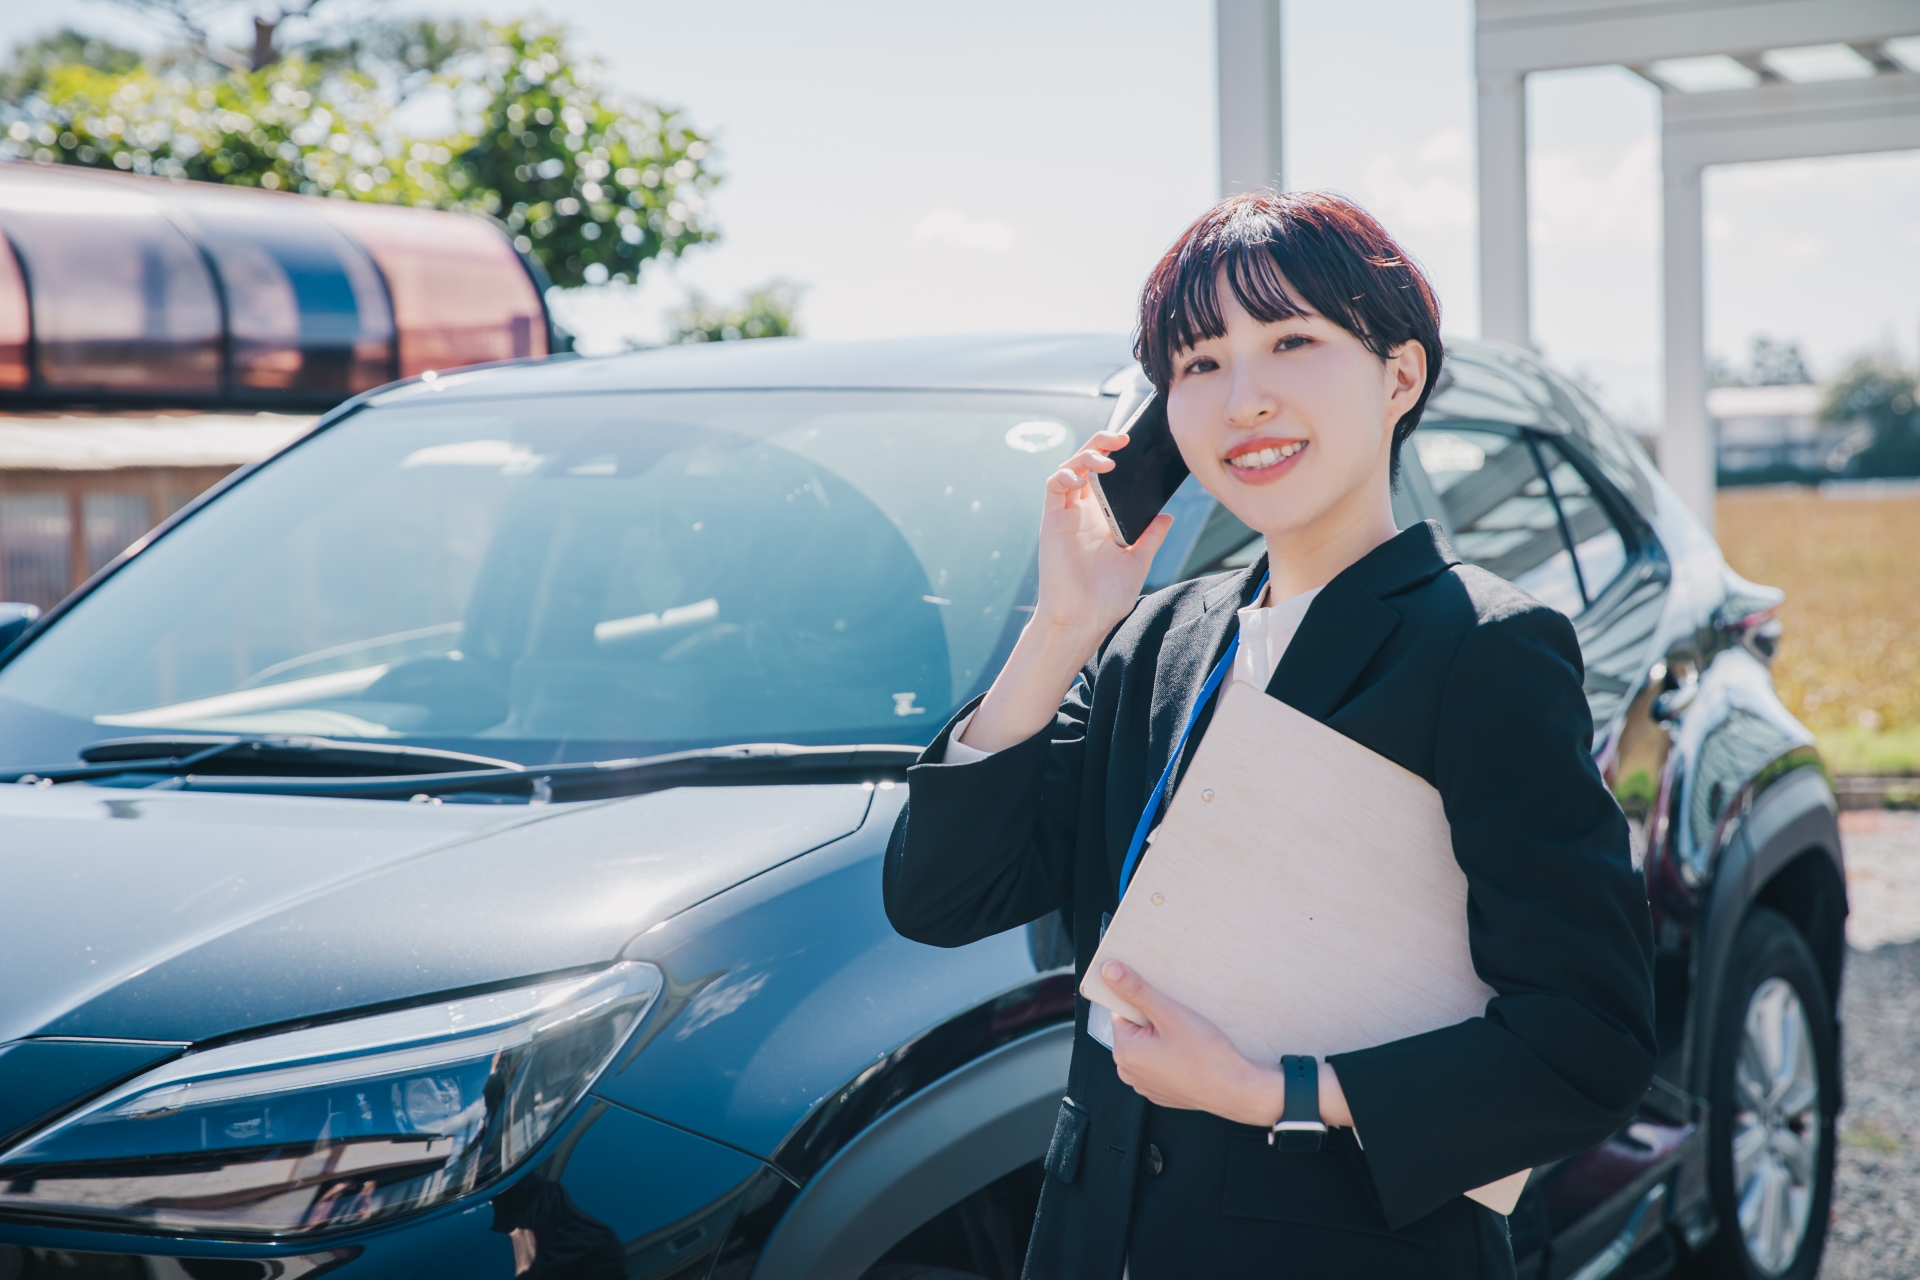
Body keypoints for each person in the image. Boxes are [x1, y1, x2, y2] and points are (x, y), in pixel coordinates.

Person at [882, 191, 1656, 1280]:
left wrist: (1274, 1090)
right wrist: (1062, 624)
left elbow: (1590, 1040)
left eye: (1292, 341)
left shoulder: (1481, 647)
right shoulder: (1155, 638)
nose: (1244, 398)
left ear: (1400, 375)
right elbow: (941, 897)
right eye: (1199, 363)